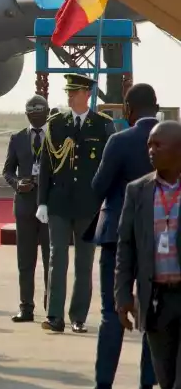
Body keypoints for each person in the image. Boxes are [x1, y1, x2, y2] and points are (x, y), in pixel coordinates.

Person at [72, 83, 160, 389]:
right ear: (157, 105)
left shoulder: (120, 141)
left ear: (127, 109)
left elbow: (98, 186)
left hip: (117, 236)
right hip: (159, 235)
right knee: (153, 312)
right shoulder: (174, 139)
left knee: (112, 312)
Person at [114, 121, 181, 389]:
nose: (151, 150)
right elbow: (125, 247)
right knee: (167, 381)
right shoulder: (138, 191)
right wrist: (123, 295)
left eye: (159, 145)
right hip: (156, 299)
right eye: (150, 145)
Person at [37, 73, 115, 333]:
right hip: (59, 202)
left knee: (84, 263)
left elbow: (108, 168)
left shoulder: (103, 125)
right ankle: (54, 316)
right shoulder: (57, 123)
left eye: (74, 92)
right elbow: (47, 164)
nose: (69, 96)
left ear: (87, 94)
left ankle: (78, 316)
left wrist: (105, 201)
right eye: (68, 92)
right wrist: (42, 202)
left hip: (88, 205)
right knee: (56, 258)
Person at [3, 95, 53, 323]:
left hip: (50, 205)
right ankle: (26, 306)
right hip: (24, 205)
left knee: (50, 259)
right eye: (30, 111)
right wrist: (16, 183)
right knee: (25, 259)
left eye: (39, 111)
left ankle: (52, 304)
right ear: (26, 115)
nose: (35, 115)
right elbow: (7, 171)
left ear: (47, 112)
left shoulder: (57, 137)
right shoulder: (17, 139)